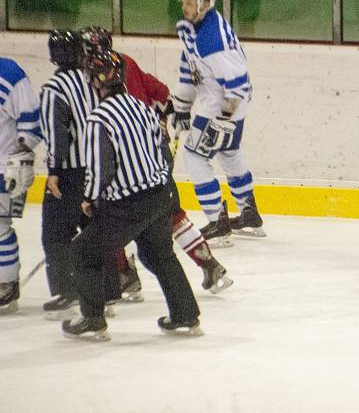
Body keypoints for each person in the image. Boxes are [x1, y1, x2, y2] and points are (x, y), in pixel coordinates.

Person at [80, 26, 232, 293]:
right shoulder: (125, 61)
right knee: (170, 211)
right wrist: (163, 117)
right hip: (153, 151)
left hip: (124, 158)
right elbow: (161, 92)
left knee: (109, 217)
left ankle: (126, 275)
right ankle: (208, 264)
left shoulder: (96, 79)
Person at [62, 49, 201, 340]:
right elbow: (164, 153)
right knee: (158, 254)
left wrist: (89, 198)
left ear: (96, 82)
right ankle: (186, 315)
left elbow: (102, 167)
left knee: (83, 252)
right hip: (161, 195)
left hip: (128, 205)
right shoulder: (142, 107)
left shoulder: (99, 119)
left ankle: (92, 318)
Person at [171, 0, 264, 247]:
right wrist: (182, 106)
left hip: (222, 107)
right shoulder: (195, 30)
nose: (185, 8)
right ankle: (249, 214)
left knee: (194, 156)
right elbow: (190, 70)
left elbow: (238, 84)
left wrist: (225, 119)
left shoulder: (212, 38)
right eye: (184, 2)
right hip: (220, 104)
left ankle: (217, 221)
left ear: (204, 3)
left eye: (190, 3)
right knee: (229, 152)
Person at [38, 30, 100, 319]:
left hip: (68, 173)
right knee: (93, 231)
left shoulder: (54, 88)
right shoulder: (91, 80)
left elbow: (57, 134)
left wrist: (53, 171)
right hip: (94, 169)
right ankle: (106, 290)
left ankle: (67, 290)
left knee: (55, 232)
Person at [0, 58, 42, 314]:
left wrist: (22, 156)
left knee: (0, 226)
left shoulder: (8, 73)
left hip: (2, 168)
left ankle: (6, 283)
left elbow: (31, 122)